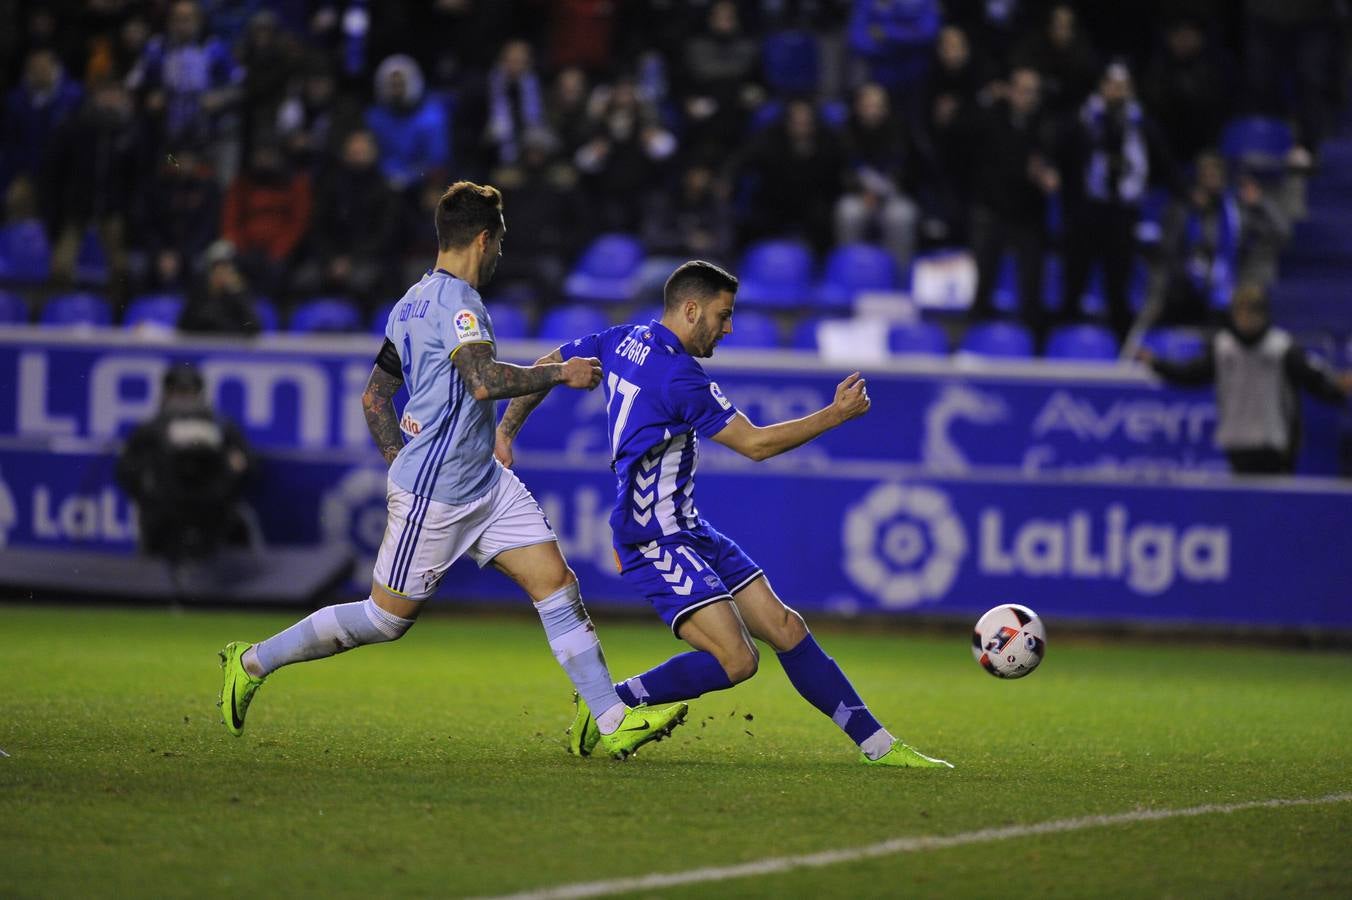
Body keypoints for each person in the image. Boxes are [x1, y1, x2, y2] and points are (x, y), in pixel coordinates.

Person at [217, 182, 687, 760]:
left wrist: (400, 458)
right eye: (500, 243)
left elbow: (374, 399)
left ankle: (612, 720)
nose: (500, 256)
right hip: (435, 498)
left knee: (557, 584)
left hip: (484, 483)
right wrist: (559, 375)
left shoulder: (410, 302)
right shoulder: (461, 305)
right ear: (484, 239)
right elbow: (483, 381)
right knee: (385, 621)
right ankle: (251, 661)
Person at [495, 260, 953, 769]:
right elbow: (755, 444)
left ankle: (881, 747)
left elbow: (545, 365)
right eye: (723, 314)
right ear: (691, 310)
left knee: (785, 626)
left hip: (688, 528)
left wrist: (506, 430)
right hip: (655, 537)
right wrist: (835, 415)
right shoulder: (679, 375)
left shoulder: (622, 338)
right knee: (738, 661)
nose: (729, 327)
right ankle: (613, 704)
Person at [1136, 283, 1352, 474]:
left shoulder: (1282, 348)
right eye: (1241, 312)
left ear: (1264, 314)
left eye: (1253, 312)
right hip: (1237, 442)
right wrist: (1156, 363)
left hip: (1276, 445)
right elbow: (1190, 373)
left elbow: (1314, 381)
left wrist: (1338, 389)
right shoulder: (1223, 348)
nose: (1246, 318)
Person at [116, 363, 253, 561]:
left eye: (188, 392)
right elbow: (126, 470)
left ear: (200, 394)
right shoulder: (150, 430)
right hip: (165, 514)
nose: (183, 398)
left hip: (213, 512)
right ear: (166, 394)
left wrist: (227, 485)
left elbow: (246, 466)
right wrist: (149, 490)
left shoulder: (222, 428)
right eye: (177, 392)